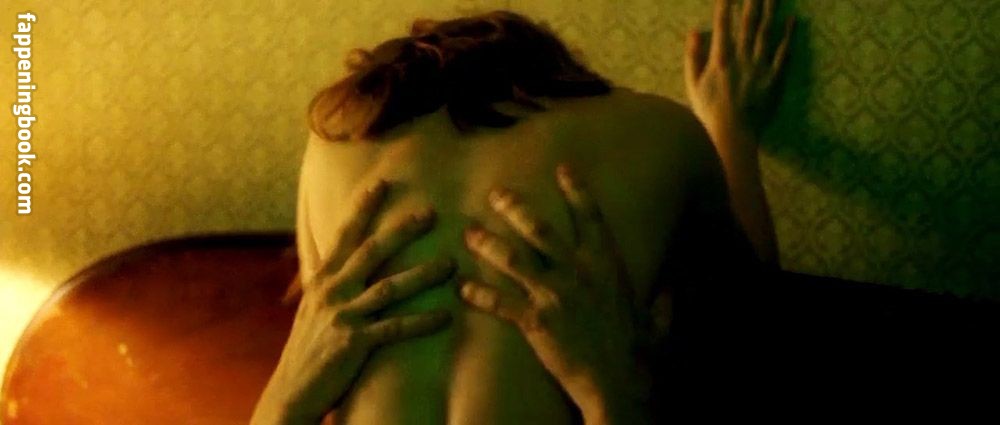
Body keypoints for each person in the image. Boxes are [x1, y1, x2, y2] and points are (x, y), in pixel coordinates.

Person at [252, 1, 793, 424]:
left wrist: (282, 404)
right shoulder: (659, 134)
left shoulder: (335, 143)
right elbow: (755, 338)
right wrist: (731, 130)